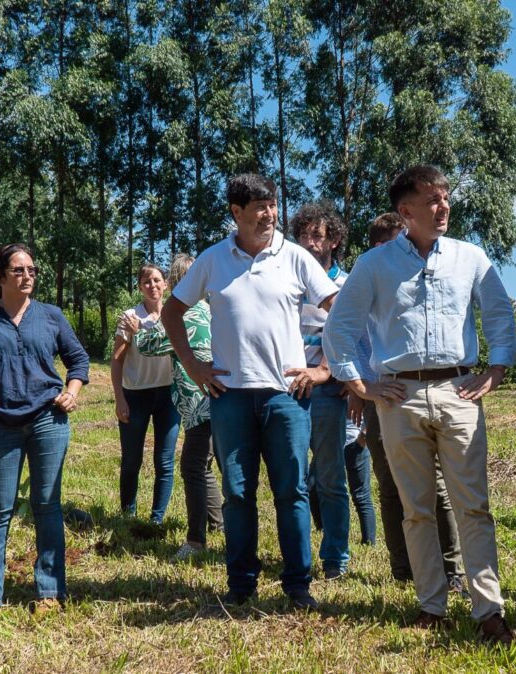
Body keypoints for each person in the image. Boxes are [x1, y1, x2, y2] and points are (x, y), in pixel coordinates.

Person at [324, 165, 516, 644]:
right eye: (432, 199)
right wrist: (361, 385)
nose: (444, 206)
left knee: (474, 506)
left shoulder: (471, 257)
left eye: (446, 196)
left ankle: (487, 610)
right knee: (416, 508)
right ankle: (431, 605)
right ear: (405, 211)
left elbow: (497, 313)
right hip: (400, 396)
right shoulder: (374, 265)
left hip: (459, 391)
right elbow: (340, 329)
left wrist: (496, 368)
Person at [163, 173, 338, 610]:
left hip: (287, 396)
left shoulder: (296, 258)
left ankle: (298, 585)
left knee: (292, 491)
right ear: (236, 213)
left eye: (273, 204)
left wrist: (326, 368)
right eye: (259, 207)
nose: (269, 214)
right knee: (238, 494)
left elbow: (341, 312)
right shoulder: (212, 260)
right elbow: (172, 312)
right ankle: (241, 584)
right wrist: (193, 365)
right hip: (230, 398)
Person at [0, 243, 89, 614]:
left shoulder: (50, 316)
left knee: (46, 505)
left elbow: (78, 359)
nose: (27, 276)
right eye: (18, 270)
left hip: (48, 420)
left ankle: (50, 591)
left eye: (31, 270)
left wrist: (72, 390)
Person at [355, 212, 467, 590]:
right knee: (390, 485)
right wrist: (360, 391)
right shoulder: (369, 278)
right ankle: (403, 569)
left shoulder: (421, 281)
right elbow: (349, 338)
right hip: (379, 393)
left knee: (434, 486)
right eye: (382, 247)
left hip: (425, 392)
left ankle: (450, 569)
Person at [124, 254, 223, 561]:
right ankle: (220, 524)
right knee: (206, 466)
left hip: (200, 404)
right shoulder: (211, 310)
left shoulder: (184, 315)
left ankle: (195, 541)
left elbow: (150, 346)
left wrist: (139, 328)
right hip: (224, 400)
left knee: (192, 467)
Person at [292, 201, 354, 579]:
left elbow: (355, 333)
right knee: (294, 478)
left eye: (317, 235)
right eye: (303, 235)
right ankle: (297, 555)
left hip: (328, 392)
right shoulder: (288, 279)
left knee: (330, 478)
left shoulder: (346, 284)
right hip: (289, 390)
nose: (309, 242)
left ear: (334, 241)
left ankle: (335, 559)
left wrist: (328, 371)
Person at [112, 264, 180, 524]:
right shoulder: (130, 317)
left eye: (156, 280)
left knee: (164, 460)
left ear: (165, 284)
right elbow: (117, 360)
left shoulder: (176, 314)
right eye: (146, 282)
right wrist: (119, 398)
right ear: (140, 287)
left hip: (169, 396)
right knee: (132, 459)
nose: (152, 285)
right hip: (135, 395)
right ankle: (128, 514)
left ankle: (157, 519)